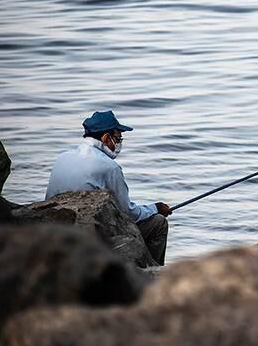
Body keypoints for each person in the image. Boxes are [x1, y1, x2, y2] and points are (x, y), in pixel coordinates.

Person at [45, 110, 172, 265]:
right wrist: (155, 208)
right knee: (158, 223)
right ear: (105, 138)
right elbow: (129, 213)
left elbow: (48, 199)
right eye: (118, 138)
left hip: (56, 228)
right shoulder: (110, 167)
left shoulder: (62, 158)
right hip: (90, 235)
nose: (119, 144)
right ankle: (151, 271)